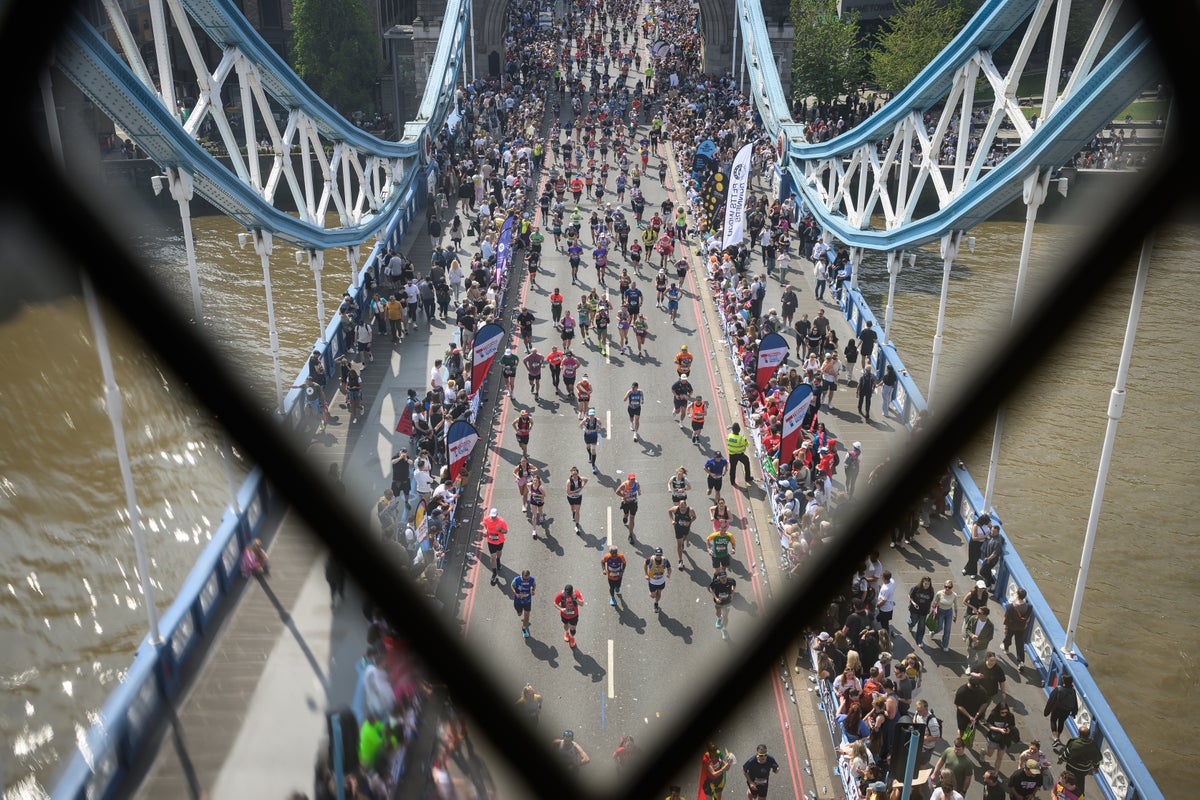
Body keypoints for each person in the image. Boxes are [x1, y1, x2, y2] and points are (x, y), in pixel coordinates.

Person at [1060, 725, 1102, 790]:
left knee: (1068, 779)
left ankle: (1065, 791)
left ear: (1079, 734)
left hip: (1071, 768)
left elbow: (1066, 754)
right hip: (1083, 771)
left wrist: (1061, 760)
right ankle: (1079, 793)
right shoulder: (1093, 745)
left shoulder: (1074, 743)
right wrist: (1096, 767)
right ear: (1088, 735)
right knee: (1080, 780)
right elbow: (1096, 760)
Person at [983, 701, 1019, 771]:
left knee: (1000, 757)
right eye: (1002, 712)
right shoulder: (993, 715)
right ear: (998, 711)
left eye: (1006, 712)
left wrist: (1008, 729)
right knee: (989, 754)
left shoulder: (1010, 716)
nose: (1004, 714)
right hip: (994, 737)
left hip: (1004, 739)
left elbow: (1012, 725)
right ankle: (983, 752)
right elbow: (989, 725)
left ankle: (996, 772)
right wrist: (999, 730)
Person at [1044, 674, 1078, 746]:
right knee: (1061, 722)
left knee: (1053, 720)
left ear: (1064, 682)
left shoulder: (1058, 689)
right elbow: (1075, 702)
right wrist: (1074, 712)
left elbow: (1051, 701)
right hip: (1067, 711)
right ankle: (1058, 737)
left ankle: (1056, 739)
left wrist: (1047, 711)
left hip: (1057, 709)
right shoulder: (1073, 691)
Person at [953, 676, 989, 742]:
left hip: (975, 716)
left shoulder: (982, 691)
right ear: (969, 683)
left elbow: (984, 703)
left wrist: (979, 712)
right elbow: (959, 706)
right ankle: (960, 742)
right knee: (962, 729)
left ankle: (966, 739)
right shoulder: (962, 691)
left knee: (971, 728)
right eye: (973, 687)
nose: (975, 689)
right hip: (963, 716)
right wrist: (969, 716)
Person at [1003, 587, 1033, 665]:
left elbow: (1007, 617)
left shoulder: (1011, 607)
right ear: (1024, 596)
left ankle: (1006, 648)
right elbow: (1028, 618)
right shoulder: (1029, 607)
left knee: (1008, 637)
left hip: (1011, 626)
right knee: (1020, 644)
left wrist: (1005, 628)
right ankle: (1021, 661)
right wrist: (1025, 624)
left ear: (1017, 595)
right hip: (1021, 627)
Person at [669, 498, 697, 568]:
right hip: (678, 528)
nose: (682, 509)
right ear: (679, 506)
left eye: (684, 507)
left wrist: (689, 522)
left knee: (684, 538)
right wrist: (672, 520)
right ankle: (680, 561)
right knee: (679, 545)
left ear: (686, 506)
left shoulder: (690, 510)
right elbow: (669, 511)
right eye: (681, 507)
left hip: (686, 528)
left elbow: (694, 517)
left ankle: (682, 543)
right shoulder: (675, 509)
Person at [482, 508, 507, 586]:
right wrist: (486, 530)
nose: (492, 518)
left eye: (494, 516)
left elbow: (506, 531)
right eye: (491, 516)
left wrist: (500, 530)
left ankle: (498, 560)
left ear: (497, 515)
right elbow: (484, 524)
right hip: (490, 541)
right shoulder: (486, 519)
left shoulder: (501, 522)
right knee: (492, 557)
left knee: (499, 553)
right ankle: (494, 573)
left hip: (500, 541)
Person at [554, 584, 584, 648]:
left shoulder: (576, 593)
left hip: (574, 615)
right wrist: (561, 609)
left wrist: (575, 598)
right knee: (566, 625)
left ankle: (572, 637)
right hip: (564, 615)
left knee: (573, 628)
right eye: (567, 593)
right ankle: (566, 632)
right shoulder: (561, 594)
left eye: (569, 593)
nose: (568, 595)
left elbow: (582, 604)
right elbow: (555, 603)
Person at [908, 576, 935, 646]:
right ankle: (910, 625)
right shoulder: (916, 588)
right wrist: (913, 603)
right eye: (925, 583)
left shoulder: (931, 591)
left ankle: (919, 640)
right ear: (922, 582)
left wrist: (929, 609)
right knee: (913, 621)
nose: (927, 585)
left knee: (921, 626)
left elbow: (930, 601)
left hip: (924, 612)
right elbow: (910, 596)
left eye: (928, 584)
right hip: (914, 610)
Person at [709, 569, 736, 639]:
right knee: (718, 612)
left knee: (725, 616)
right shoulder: (716, 582)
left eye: (724, 577)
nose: (724, 579)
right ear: (719, 578)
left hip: (727, 602)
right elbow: (710, 589)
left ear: (726, 576)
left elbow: (734, 585)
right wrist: (716, 598)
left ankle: (724, 629)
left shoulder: (731, 581)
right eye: (722, 578)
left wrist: (732, 593)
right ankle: (719, 618)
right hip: (719, 602)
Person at [933, 579, 959, 651]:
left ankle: (945, 644)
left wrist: (955, 615)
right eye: (946, 586)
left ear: (952, 587)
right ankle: (933, 632)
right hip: (940, 611)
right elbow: (935, 603)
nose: (947, 588)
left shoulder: (954, 595)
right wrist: (933, 612)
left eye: (949, 587)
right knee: (939, 627)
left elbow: (956, 606)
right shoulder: (939, 593)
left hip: (949, 612)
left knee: (947, 630)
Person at [644, 547, 672, 612]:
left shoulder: (665, 560)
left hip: (661, 580)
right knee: (652, 596)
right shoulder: (650, 560)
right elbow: (645, 564)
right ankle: (653, 593)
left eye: (660, 555)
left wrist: (668, 574)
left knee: (659, 593)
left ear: (662, 555)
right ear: (655, 554)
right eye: (657, 555)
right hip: (652, 581)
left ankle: (656, 604)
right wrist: (646, 574)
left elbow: (669, 568)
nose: (658, 556)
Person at [616, 472, 641, 541]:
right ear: (628, 479)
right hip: (626, 502)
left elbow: (638, 486)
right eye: (631, 479)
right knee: (626, 514)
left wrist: (639, 491)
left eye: (633, 479)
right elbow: (617, 491)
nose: (633, 480)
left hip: (633, 502)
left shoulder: (636, 483)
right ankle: (625, 517)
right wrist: (624, 496)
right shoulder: (624, 485)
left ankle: (630, 534)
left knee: (632, 518)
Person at [511, 569, 536, 638]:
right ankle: (520, 613)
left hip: (527, 601)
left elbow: (534, 585)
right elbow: (512, 585)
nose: (526, 580)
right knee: (519, 614)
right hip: (518, 601)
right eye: (524, 579)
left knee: (527, 616)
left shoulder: (532, 579)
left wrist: (533, 591)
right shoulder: (516, 579)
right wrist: (515, 593)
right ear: (521, 576)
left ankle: (524, 628)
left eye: (527, 579)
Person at [726, 422, 752, 487]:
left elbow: (728, 441)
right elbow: (747, 444)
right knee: (746, 463)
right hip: (740, 455)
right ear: (739, 430)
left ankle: (732, 481)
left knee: (732, 468)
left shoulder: (728, 436)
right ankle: (747, 478)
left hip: (732, 455)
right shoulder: (741, 439)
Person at [565, 465, 588, 533]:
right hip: (571, 497)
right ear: (571, 474)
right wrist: (576, 490)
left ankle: (577, 526)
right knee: (572, 508)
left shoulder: (580, 479)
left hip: (578, 497)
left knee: (578, 511)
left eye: (576, 474)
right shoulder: (569, 481)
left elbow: (586, 479)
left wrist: (582, 487)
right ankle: (573, 513)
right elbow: (568, 492)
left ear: (578, 473)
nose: (574, 476)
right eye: (573, 474)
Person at [580, 407, 603, 473]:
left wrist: (599, 428)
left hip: (594, 436)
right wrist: (585, 430)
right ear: (588, 415)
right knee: (588, 446)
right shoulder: (585, 420)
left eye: (592, 415)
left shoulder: (597, 420)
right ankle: (589, 455)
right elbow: (580, 425)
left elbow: (601, 424)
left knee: (593, 450)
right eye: (590, 415)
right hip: (587, 436)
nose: (591, 416)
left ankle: (593, 466)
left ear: (594, 415)